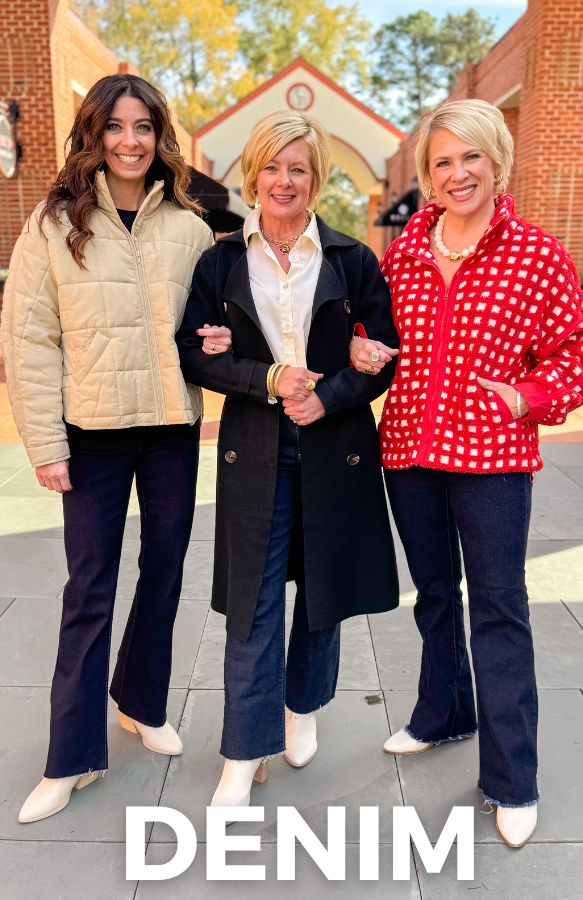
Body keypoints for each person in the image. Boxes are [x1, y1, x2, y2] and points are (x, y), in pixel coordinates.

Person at [351, 99, 583, 848]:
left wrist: (527, 396)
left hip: (492, 460)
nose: (457, 174)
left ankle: (512, 776)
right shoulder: (404, 252)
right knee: (431, 595)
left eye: (471, 158)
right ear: (428, 174)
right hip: (410, 458)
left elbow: (574, 351)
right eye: (443, 161)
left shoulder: (535, 253)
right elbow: (372, 332)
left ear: (497, 161)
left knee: (497, 608)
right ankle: (443, 711)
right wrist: (363, 349)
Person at [0, 73, 228, 823]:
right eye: (114, 127)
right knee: (88, 591)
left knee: (163, 572)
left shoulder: (192, 226)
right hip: (91, 434)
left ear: (160, 135)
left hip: (170, 427)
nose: (129, 142)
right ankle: (69, 758)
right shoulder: (51, 222)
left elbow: (214, 322)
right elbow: (29, 340)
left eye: (143, 127)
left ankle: (142, 702)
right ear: (93, 133)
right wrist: (46, 442)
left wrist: (221, 338)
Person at [176, 110, 400, 811]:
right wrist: (265, 380)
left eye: (297, 168)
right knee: (253, 603)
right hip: (255, 452)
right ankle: (243, 753)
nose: (283, 180)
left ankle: (301, 709)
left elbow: (382, 353)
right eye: (271, 166)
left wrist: (332, 392)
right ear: (254, 175)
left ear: (315, 178)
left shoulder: (351, 259)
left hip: (337, 450)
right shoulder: (218, 261)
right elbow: (192, 350)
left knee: (322, 594)